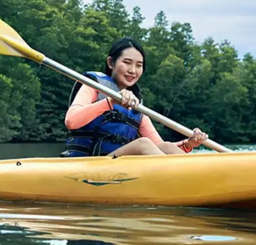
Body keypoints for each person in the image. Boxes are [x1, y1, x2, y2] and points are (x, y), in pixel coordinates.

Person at [61, 38, 208, 158]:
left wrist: (188, 144)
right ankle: (178, 180)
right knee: (142, 144)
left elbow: (159, 147)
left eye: (139, 65)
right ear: (111, 63)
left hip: (115, 167)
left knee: (167, 146)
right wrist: (110, 102)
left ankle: (198, 179)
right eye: (127, 62)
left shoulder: (136, 105)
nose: (133, 70)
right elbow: (71, 121)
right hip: (86, 165)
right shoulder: (93, 86)